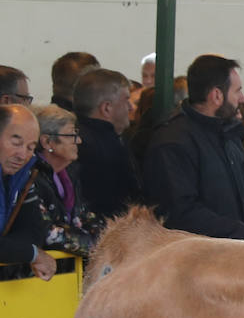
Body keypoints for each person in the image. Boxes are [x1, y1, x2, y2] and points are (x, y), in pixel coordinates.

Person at [143, 55, 244, 242]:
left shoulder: (229, 135)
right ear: (216, 96)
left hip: (233, 253)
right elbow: (181, 213)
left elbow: (238, 202)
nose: (243, 98)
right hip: (196, 262)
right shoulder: (173, 142)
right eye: (237, 91)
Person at [30, 104, 98, 257]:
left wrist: (109, 239)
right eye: (71, 135)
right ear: (47, 142)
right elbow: (48, 234)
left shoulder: (69, 174)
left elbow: (85, 217)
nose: (79, 140)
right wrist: (96, 246)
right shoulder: (31, 177)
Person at [72, 67, 139, 221]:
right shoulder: (104, 149)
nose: (131, 107)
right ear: (106, 108)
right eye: (126, 100)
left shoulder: (77, 137)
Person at [0, 105, 58, 279]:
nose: (22, 155)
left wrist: (22, 250)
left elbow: (33, 231)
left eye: (30, 147)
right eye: (16, 143)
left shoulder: (24, 175)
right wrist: (32, 254)